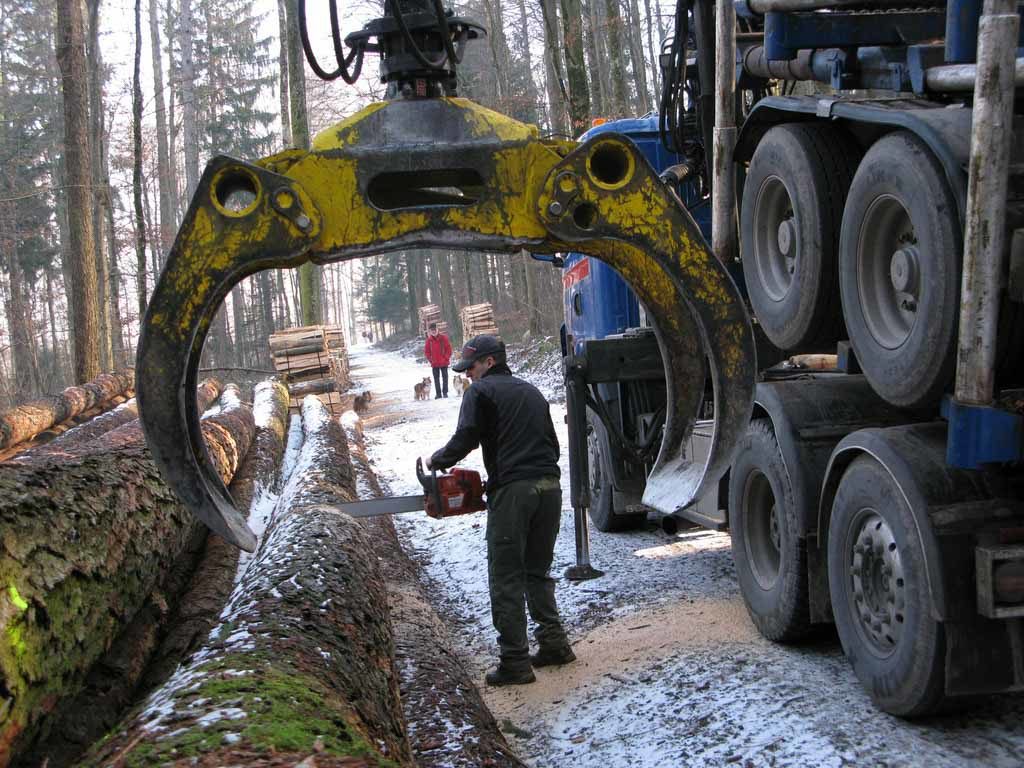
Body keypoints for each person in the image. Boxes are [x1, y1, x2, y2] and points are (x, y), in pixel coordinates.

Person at [424, 334, 575, 686]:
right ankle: (554, 643)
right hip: (550, 487)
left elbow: (466, 438)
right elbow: (552, 444)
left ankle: (515, 661)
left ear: (489, 362)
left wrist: (437, 460)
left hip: (514, 490)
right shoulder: (531, 391)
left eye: (471, 367)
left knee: (506, 575)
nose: (468, 374)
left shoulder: (480, 392)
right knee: (537, 570)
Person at [423, 322, 452, 399]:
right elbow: (427, 352)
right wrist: (431, 360)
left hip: (444, 362)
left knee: (445, 378)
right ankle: (438, 394)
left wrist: (446, 358)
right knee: (436, 379)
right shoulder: (429, 341)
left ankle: (445, 393)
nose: (433, 331)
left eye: (434, 329)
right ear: (430, 331)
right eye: (432, 330)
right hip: (435, 363)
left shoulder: (444, 338)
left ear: (437, 329)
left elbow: (449, 349)